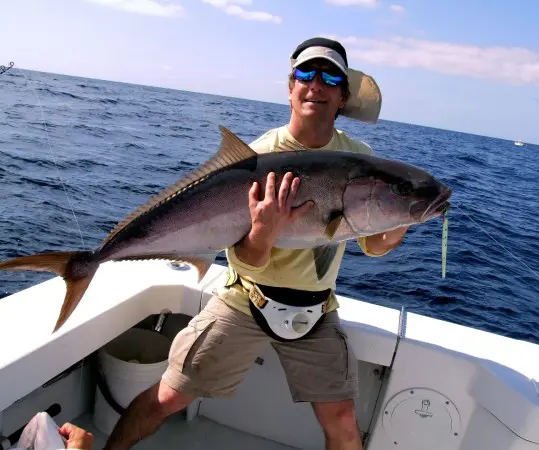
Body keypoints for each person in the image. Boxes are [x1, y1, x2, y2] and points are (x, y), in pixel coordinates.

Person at [103, 37, 410, 450]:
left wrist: (403, 216)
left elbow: (373, 244)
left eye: (330, 77)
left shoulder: (360, 157)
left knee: (342, 421)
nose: (315, 84)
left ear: (342, 95)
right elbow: (246, 261)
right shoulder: (259, 157)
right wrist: (263, 232)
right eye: (306, 74)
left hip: (316, 308)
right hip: (247, 298)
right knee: (169, 395)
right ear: (291, 88)